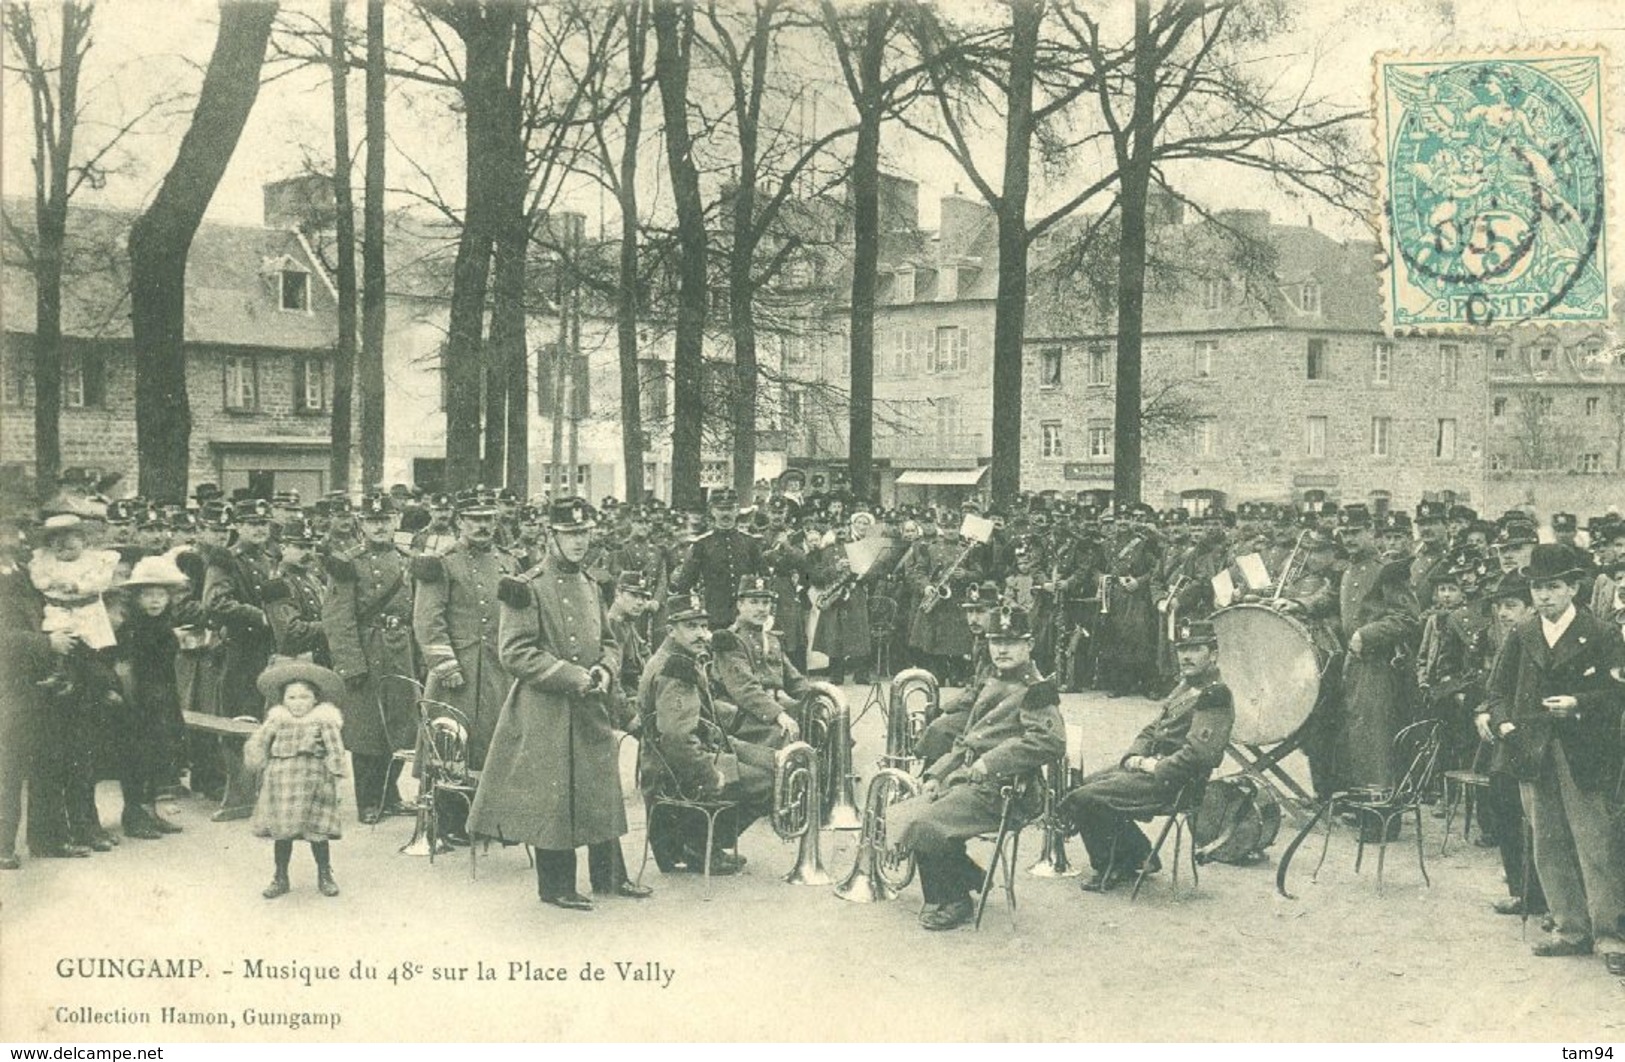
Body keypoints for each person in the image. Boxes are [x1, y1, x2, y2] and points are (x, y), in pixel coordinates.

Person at [471, 497, 650, 910]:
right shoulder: (526, 586)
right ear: (551, 535)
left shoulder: (590, 584)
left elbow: (608, 640)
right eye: (570, 534)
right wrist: (572, 676)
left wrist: (605, 668)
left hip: (590, 704)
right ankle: (555, 885)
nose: (578, 541)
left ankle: (609, 876)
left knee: (600, 790)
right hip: (545, 707)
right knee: (554, 796)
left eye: (584, 533)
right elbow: (514, 652)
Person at [1484, 544, 1625, 976]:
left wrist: (1579, 702)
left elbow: (1617, 692)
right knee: (1548, 840)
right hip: (1532, 750)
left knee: (1594, 840)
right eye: (1537, 588)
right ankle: (1569, 928)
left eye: (1553, 587)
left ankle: (1610, 933)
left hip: (1583, 751)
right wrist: (1504, 723)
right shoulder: (1523, 633)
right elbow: (1496, 689)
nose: (1544, 596)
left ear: (1573, 588)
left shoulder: (1601, 633)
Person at [885, 606, 1066, 931]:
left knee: (925, 824)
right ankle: (967, 875)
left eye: (1012, 642)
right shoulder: (995, 680)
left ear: (1030, 645)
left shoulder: (1036, 690)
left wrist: (989, 762)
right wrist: (937, 774)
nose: (1002, 649)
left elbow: (1050, 743)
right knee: (905, 812)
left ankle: (954, 901)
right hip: (971, 782)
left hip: (1008, 791)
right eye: (997, 641)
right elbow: (967, 739)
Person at [1059, 620, 1235, 892]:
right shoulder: (1186, 686)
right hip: (1152, 770)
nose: (1185, 656)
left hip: (1177, 782)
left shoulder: (1215, 695)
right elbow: (1153, 728)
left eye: (1195, 649)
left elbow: (1201, 755)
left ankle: (1113, 865)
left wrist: (1154, 766)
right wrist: (1135, 754)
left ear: (1213, 654)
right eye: (1181, 649)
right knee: (1082, 786)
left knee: (1084, 799)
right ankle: (1141, 854)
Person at [638, 592, 774, 875]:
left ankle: (700, 842)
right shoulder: (676, 670)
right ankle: (700, 845)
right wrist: (711, 774)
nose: (701, 634)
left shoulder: (678, 657)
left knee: (774, 762)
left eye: (703, 625)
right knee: (769, 781)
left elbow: (698, 721)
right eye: (691, 627)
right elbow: (678, 740)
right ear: (671, 630)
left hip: (680, 758)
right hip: (674, 772)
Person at [324, 493, 418, 824]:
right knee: (368, 728)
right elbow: (338, 618)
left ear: (396, 522)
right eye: (372, 521)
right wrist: (351, 663)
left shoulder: (408, 559)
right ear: (362, 525)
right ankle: (368, 799)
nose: (379, 527)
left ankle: (389, 794)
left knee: (402, 724)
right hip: (369, 647)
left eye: (385, 520)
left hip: (402, 648)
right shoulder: (348, 562)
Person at [412, 494, 517, 771]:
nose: (483, 525)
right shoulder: (442, 562)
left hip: (499, 672)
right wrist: (446, 667)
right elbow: (427, 620)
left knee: (495, 755)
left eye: (488, 518)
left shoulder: (508, 562)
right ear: (460, 521)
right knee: (449, 754)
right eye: (475, 519)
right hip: (458, 674)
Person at [1469, 569, 1547, 918]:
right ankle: (1522, 892)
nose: (1503, 613)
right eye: (1500, 606)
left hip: (1538, 740)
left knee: (1540, 822)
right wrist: (1484, 712)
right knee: (1505, 808)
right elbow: (1496, 686)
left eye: (1511, 605)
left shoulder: (1542, 638)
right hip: (1506, 738)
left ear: (1530, 607)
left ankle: (1547, 900)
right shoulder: (1511, 636)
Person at [244, 659, 348, 899]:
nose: (298, 703)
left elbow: (335, 749)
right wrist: (257, 756)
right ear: (283, 700)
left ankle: (325, 874)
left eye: (304, 697)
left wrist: (336, 770)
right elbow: (260, 741)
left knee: (317, 831)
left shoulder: (324, 720)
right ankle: (280, 876)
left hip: (314, 781)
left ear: (315, 699)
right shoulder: (277, 720)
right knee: (282, 832)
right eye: (292, 698)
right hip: (282, 782)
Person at [112, 555, 193, 840]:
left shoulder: (164, 627)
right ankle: (134, 815)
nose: (155, 601)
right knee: (137, 757)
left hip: (162, 698)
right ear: (136, 598)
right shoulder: (131, 629)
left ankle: (151, 811)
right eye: (148, 595)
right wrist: (132, 700)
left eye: (161, 595)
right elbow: (124, 668)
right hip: (138, 701)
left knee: (159, 755)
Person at [710, 574, 808, 749]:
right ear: (740, 605)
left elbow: (793, 678)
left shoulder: (770, 638)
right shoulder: (730, 640)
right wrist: (778, 714)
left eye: (765, 603)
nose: (762, 608)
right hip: (740, 712)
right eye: (754, 602)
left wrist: (816, 694)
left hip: (770, 705)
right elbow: (745, 689)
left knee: (822, 719)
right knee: (785, 733)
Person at [669, 488, 763, 630]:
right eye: (721, 509)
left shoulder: (750, 542)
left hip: (746, 617)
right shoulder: (702, 544)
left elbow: (763, 576)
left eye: (730, 508)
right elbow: (685, 584)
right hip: (714, 616)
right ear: (712, 511)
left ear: (737, 510)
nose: (725, 514)